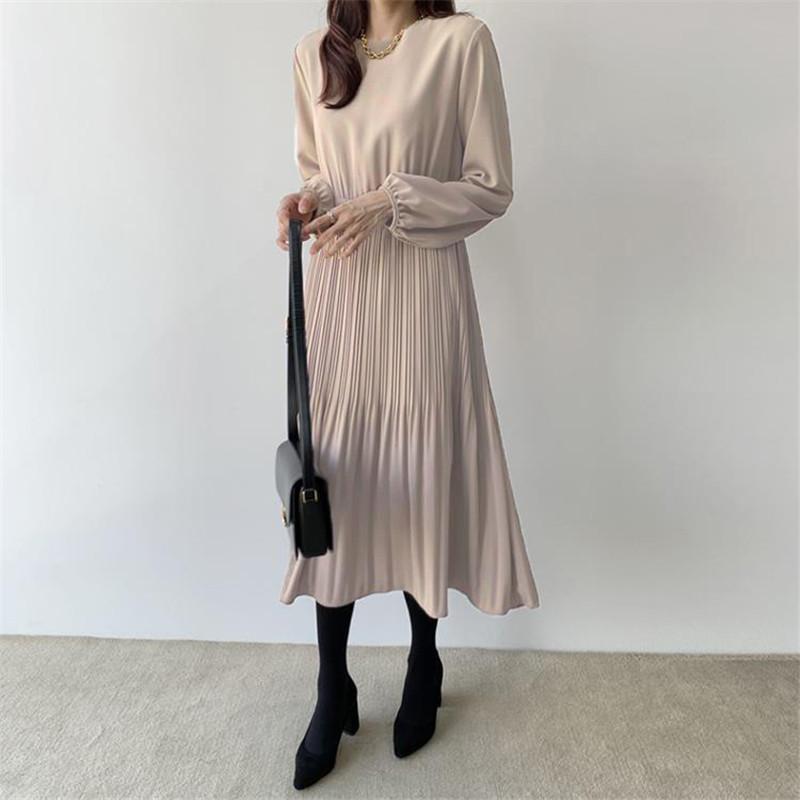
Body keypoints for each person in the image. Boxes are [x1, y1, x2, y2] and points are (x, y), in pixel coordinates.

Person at [274, 0, 540, 790]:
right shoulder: (314, 52)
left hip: (424, 296)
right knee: (333, 484)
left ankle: (425, 660)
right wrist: (307, 203)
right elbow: (320, 174)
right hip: (339, 296)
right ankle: (333, 687)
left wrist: (390, 201)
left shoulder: (461, 43)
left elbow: (490, 188)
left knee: (423, 473)